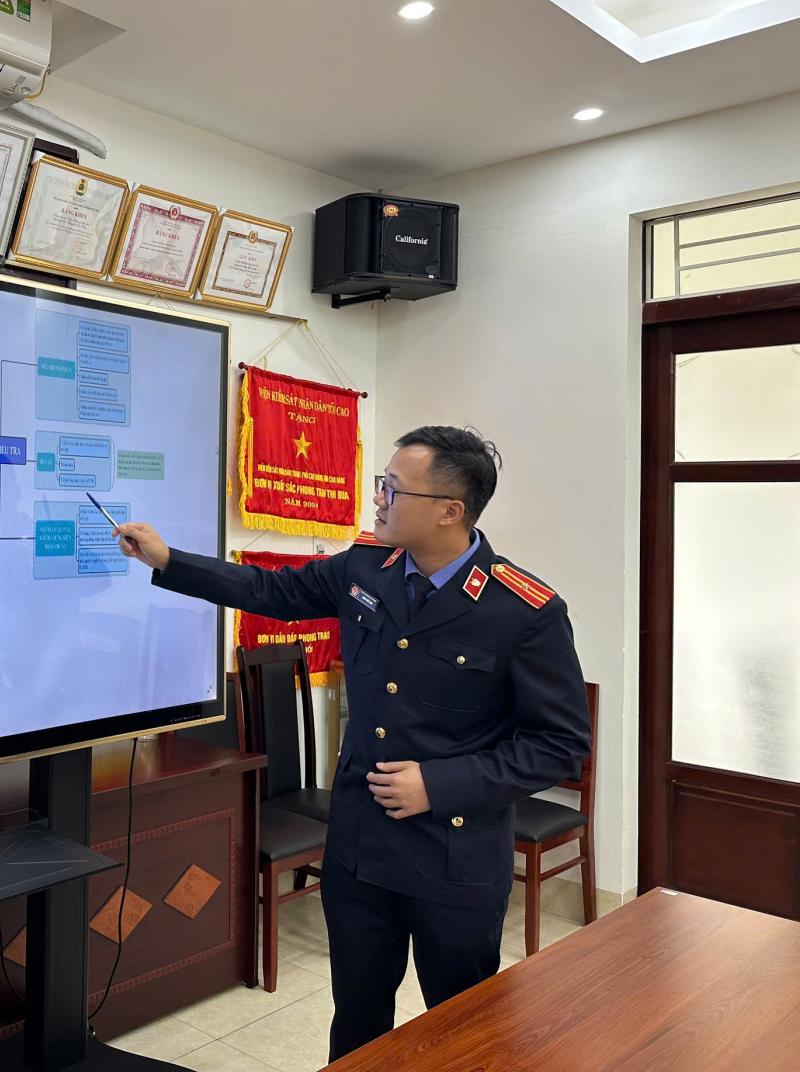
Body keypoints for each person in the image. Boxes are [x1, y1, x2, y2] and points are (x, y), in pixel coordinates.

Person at [114, 426, 590, 1061]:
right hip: (360, 849)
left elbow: (559, 744)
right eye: (381, 484)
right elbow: (270, 591)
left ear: (450, 510)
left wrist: (438, 784)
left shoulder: (522, 610)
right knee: (358, 1021)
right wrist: (170, 561)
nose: (378, 499)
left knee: (463, 1033)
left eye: (393, 488)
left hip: (455, 858)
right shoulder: (367, 565)